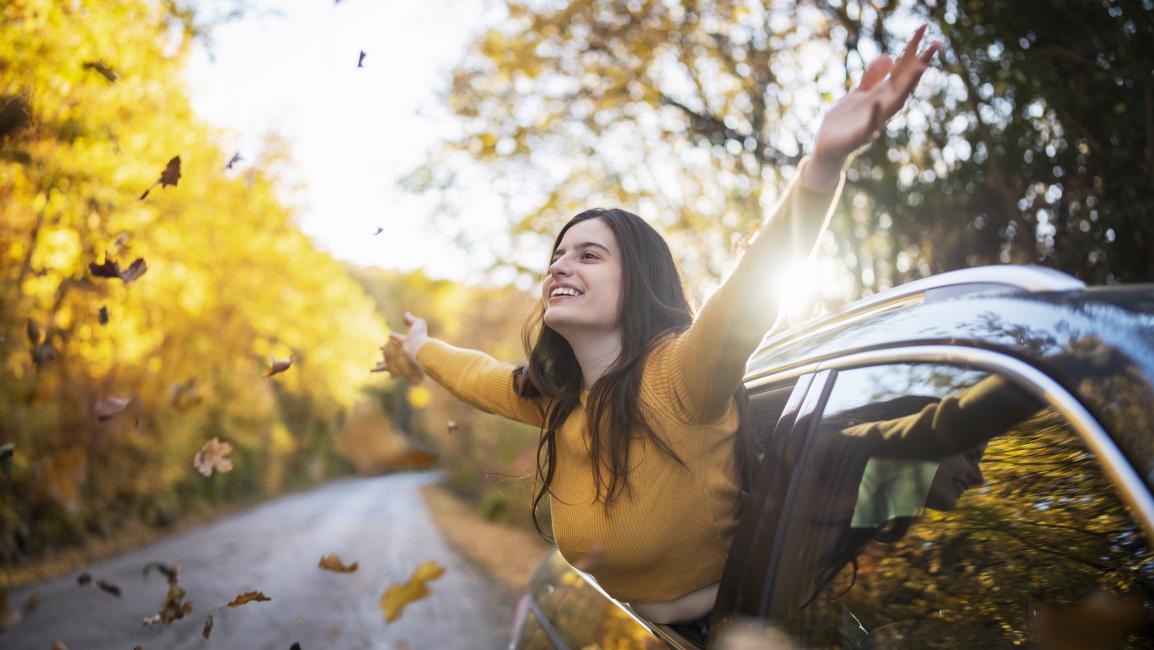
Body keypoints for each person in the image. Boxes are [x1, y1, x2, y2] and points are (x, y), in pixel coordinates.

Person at [377, 25, 943, 625]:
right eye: (557, 256)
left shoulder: (680, 376)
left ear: (639, 284)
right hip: (633, 630)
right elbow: (475, 375)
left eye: (589, 255)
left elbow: (751, 289)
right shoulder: (556, 401)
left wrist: (824, 163)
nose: (560, 265)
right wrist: (419, 348)